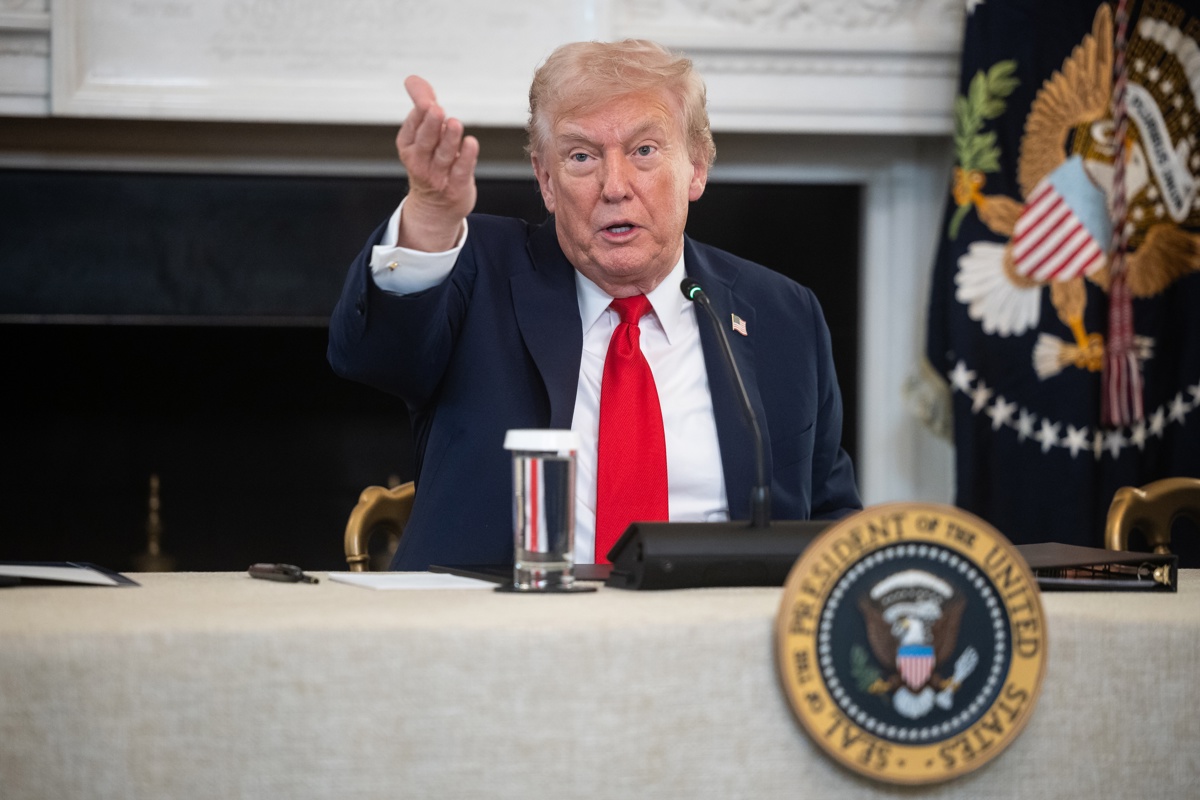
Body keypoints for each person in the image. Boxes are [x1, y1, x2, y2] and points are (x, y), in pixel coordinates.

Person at [329, 39, 861, 571]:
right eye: (581, 156)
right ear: (546, 180)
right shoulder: (476, 272)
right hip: (499, 632)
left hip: (709, 632)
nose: (615, 186)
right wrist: (427, 218)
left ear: (696, 167)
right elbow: (372, 355)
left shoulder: (782, 315)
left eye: (644, 151)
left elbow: (829, 517)